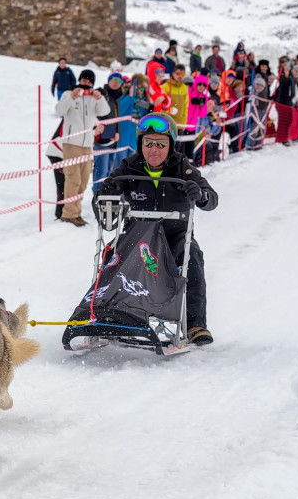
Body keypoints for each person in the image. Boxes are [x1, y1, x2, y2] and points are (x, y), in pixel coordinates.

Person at [93, 113, 218, 345]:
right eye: (148, 143)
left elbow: (211, 199)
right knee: (112, 257)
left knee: (192, 257)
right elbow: (104, 214)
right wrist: (106, 194)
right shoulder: (128, 167)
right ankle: (104, 314)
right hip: (137, 236)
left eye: (160, 144)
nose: (154, 150)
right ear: (141, 144)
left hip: (174, 236)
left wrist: (199, 195)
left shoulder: (183, 168)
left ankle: (195, 324)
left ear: (170, 146)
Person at [53, 69, 110, 226]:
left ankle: (76, 212)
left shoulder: (93, 99)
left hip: (87, 145)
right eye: (84, 80)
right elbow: (59, 110)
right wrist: (72, 97)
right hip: (71, 144)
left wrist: (99, 98)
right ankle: (69, 213)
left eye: (89, 81)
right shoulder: (69, 94)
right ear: (79, 80)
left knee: (84, 181)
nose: (86, 83)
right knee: (73, 179)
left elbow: (105, 111)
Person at [93, 73, 125, 183]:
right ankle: (97, 196)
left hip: (114, 142)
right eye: (114, 79)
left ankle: (103, 196)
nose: (116, 82)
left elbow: (118, 119)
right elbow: (99, 117)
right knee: (101, 172)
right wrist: (110, 133)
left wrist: (117, 133)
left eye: (119, 81)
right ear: (109, 80)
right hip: (102, 141)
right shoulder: (101, 94)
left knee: (109, 172)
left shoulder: (120, 97)